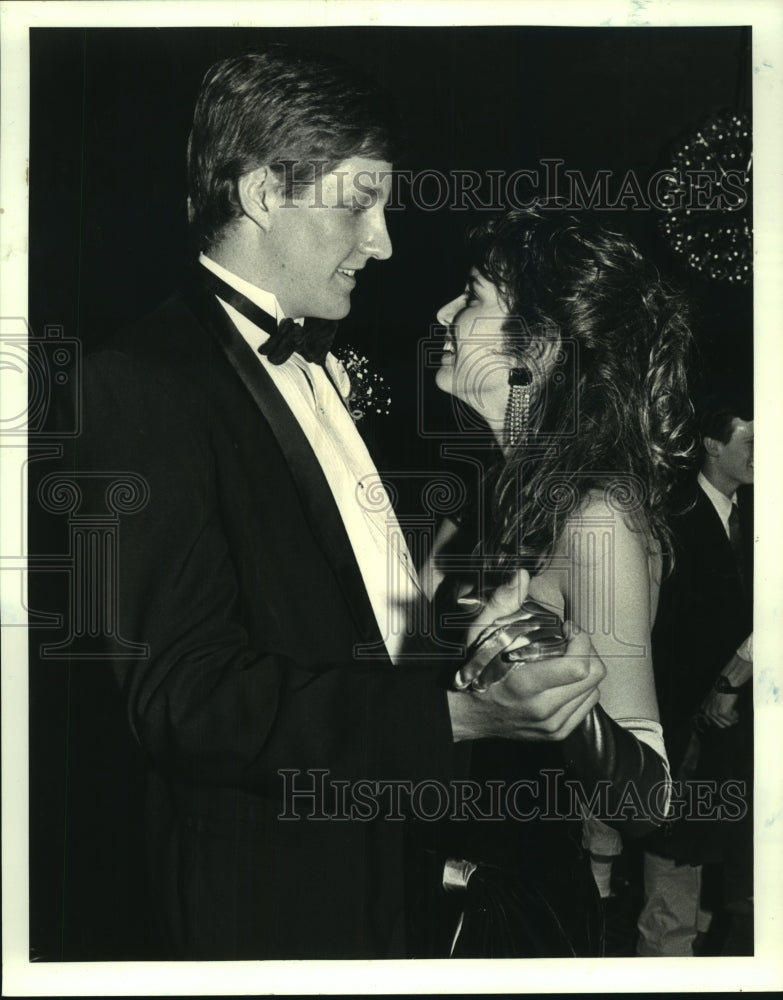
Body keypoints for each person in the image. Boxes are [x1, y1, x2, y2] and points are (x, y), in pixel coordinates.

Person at [42, 50, 604, 961]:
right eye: (357, 202)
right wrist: (454, 720)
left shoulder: (331, 366)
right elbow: (184, 696)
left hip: (395, 869)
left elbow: (338, 622)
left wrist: (461, 630)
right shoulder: (137, 383)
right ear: (264, 192)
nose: (382, 242)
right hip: (272, 895)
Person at [410, 208, 695, 958]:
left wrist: (559, 699)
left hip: (508, 919)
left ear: (533, 349)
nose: (442, 312)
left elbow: (649, 799)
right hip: (412, 892)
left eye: (471, 296)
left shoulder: (595, 516)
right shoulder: (479, 492)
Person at [637, 400, 753, 957]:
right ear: (712, 444)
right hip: (686, 722)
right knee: (673, 872)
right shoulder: (671, 517)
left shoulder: (755, 520)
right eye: (751, 443)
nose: (764, 456)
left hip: (740, 730)